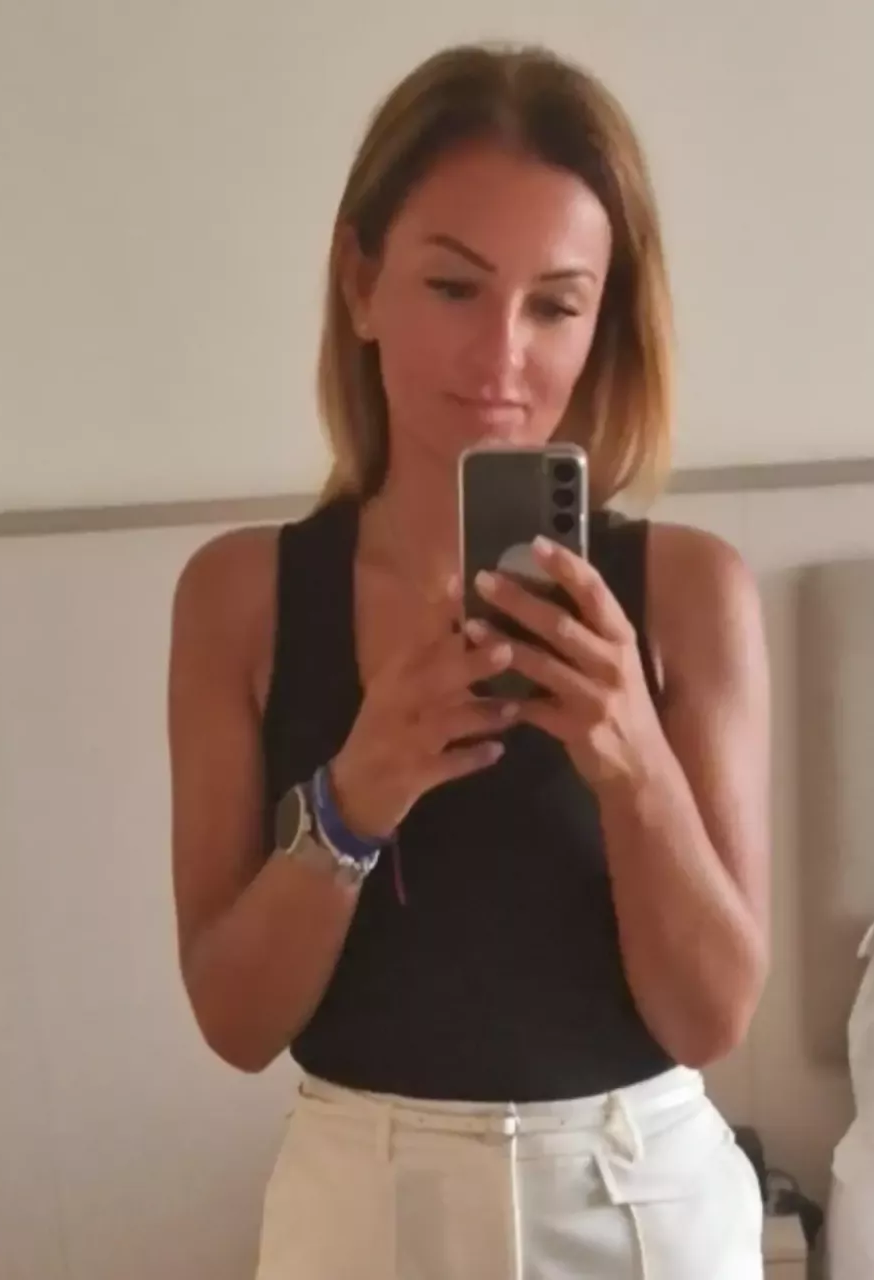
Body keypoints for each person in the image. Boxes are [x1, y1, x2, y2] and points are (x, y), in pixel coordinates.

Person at [167, 40, 772, 1280]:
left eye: (554, 303)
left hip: (638, 1197)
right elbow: (234, 1020)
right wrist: (354, 797)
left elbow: (712, 1015)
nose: (500, 357)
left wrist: (632, 761)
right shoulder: (241, 597)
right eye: (452, 286)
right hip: (361, 1210)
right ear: (360, 283)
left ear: (602, 323)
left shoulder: (689, 593)